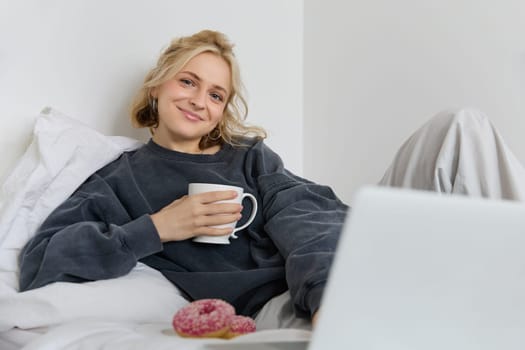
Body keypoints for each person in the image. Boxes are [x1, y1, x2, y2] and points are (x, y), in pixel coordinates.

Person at [18, 29, 347, 329]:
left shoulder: (249, 156)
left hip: (300, 292)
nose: (199, 101)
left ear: (221, 112)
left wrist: (324, 296)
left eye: (216, 95)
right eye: (188, 81)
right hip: (246, 315)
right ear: (157, 85)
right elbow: (40, 262)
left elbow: (305, 213)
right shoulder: (118, 180)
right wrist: (158, 227)